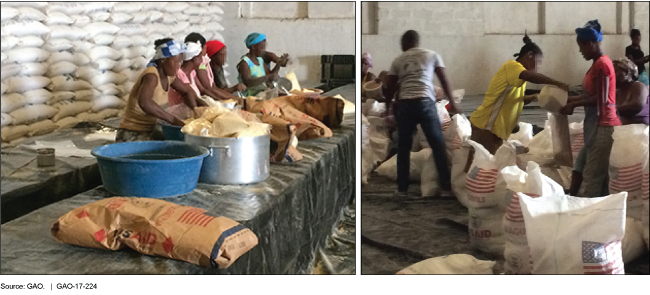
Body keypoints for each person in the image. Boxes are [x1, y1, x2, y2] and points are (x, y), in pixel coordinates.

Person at [383, 30, 462, 199]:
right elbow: (444, 79)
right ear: (417, 42)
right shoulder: (432, 55)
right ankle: (446, 188)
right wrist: (453, 103)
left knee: (404, 147)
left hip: (405, 105)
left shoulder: (398, 60)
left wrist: (388, 107)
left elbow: (389, 88)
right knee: (437, 144)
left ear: (404, 44)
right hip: (425, 104)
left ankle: (402, 189)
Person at [468, 33, 569, 155]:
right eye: (538, 61)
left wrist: (533, 97)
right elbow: (531, 76)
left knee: (484, 167)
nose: (538, 67)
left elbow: (513, 100)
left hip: (492, 130)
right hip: (486, 127)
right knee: (488, 167)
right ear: (530, 55)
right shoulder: (512, 66)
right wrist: (557, 83)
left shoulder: (517, 76)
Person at [561, 20, 621, 198]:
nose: (580, 51)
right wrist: (569, 99)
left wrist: (573, 104)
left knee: (593, 176)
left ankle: (586, 213)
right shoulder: (596, 65)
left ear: (590, 44)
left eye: (582, 47)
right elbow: (591, 95)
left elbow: (602, 99)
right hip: (596, 124)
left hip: (604, 125)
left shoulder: (602, 64)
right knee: (585, 167)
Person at [117, 38, 186, 142]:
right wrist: (173, 120)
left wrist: (204, 110)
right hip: (133, 133)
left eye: (180, 62)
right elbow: (145, 103)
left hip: (152, 130)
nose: (178, 66)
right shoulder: (151, 76)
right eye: (175, 61)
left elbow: (187, 91)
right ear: (163, 59)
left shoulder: (170, 76)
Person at [183, 33, 240, 101]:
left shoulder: (194, 70)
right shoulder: (200, 65)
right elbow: (208, 88)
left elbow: (208, 88)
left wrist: (231, 99)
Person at [237, 33, 286, 97]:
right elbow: (248, 82)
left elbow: (270, 76)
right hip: (251, 97)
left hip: (262, 93)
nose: (264, 50)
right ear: (253, 47)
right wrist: (267, 77)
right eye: (262, 47)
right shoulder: (245, 62)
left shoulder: (260, 60)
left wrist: (279, 63)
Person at [613, 57, 649, 125]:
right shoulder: (618, 92)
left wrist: (611, 110)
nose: (611, 76)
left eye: (615, 71)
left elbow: (636, 105)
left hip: (640, 130)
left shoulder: (638, 86)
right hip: (625, 130)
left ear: (626, 72)